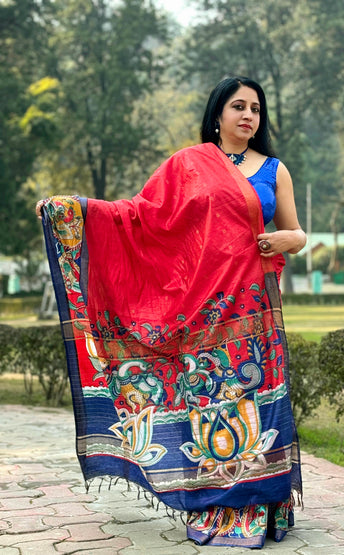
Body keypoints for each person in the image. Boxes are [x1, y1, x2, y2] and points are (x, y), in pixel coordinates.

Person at [36, 76, 306, 549]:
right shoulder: (190, 164)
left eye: (256, 109)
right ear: (217, 115)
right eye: (238, 106)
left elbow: (296, 232)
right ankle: (214, 507)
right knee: (211, 402)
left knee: (257, 404)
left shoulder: (275, 169)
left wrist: (289, 240)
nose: (248, 116)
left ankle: (263, 509)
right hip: (201, 309)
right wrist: (76, 210)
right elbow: (140, 216)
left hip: (254, 306)